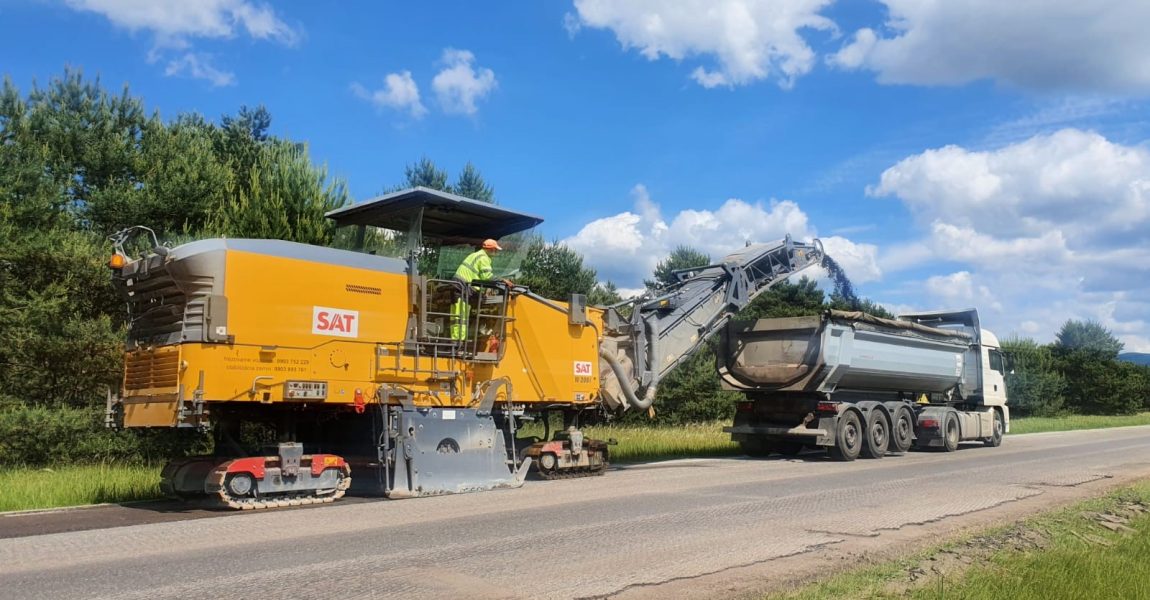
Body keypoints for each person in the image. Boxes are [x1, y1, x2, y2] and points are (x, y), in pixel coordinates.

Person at [450, 239, 506, 341]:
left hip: (458, 286)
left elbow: (477, 277)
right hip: (463, 287)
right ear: (491, 249)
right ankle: (459, 344)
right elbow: (487, 277)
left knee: (456, 317)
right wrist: (503, 281)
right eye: (495, 250)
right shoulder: (483, 258)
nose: (496, 252)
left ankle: (455, 342)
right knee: (462, 318)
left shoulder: (475, 255)